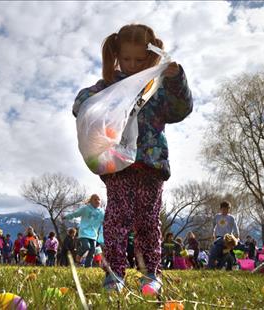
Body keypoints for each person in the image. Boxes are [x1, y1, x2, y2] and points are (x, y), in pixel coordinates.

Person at [73, 24, 193, 293]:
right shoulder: (109, 85)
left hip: (151, 163)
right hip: (117, 164)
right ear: (116, 56)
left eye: (139, 60)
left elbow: (180, 109)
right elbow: (82, 102)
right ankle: (114, 274)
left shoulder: (158, 87)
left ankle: (150, 273)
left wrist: (176, 79)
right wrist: (98, 103)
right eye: (126, 59)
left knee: (148, 219)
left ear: (151, 56)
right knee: (116, 218)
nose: (131, 65)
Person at [63, 194, 105, 268]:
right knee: (86, 246)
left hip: (94, 235)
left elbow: (106, 220)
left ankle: (88, 266)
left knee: (92, 251)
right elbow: (76, 214)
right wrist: (67, 217)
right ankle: (79, 255)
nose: (97, 201)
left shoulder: (101, 212)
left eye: (99, 199)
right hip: (84, 233)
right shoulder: (85, 208)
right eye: (95, 199)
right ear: (91, 201)